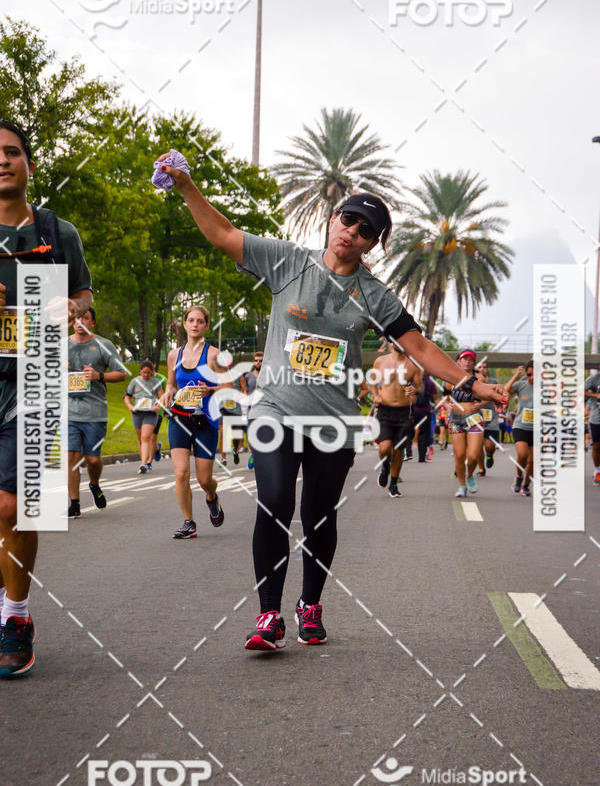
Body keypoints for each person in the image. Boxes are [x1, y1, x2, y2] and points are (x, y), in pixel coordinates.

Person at [154, 152, 506, 651]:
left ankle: (310, 604)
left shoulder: (374, 295)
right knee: (275, 502)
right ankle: (269, 614)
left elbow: (420, 347)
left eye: (365, 231)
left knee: (319, 515)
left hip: (333, 423)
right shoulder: (288, 261)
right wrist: (186, 185)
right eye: (348, 220)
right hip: (275, 411)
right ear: (333, 218)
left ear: (373, 244)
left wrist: (468, 383)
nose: (352, 232)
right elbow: (223, 233)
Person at [0, 120, 92, 676]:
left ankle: (16, 616)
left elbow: (84, 299)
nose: (2, 160)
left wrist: (68, 309)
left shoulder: (59, 233)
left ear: (29, 165)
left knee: (15, 506)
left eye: (12, 152)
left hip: (34, 377)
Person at [162, 305, 228, 539]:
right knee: (181, 473)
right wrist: (167, 393)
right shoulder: (174, 355)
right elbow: (171, 383)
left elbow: (229, 386)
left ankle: (212, 497)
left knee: (204, 479)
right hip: (180, 419)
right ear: (185, 324)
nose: (194, 324)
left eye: (200, 321)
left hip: (205, 421)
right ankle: (188, 522)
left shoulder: (214, 355)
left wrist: (210, 390)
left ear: (206, 326)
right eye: (191, 320)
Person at [68, 307, 127, 514]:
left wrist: (99, 376)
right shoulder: (60, 345)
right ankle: (75, 504)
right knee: (72, 457)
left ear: (92, 322)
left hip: (95, 412)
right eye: (76, 318)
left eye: (85, 318)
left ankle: (94, 484)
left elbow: (121, 373)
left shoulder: (104, 345)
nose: (80, 322)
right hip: (69, 412)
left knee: (93, 459)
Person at [369, 341, 421, 498]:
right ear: (391, 342)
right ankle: (385, 467)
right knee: (385, 448)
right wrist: (376, 396)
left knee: (399, 450)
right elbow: (372, 382)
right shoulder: (380, 361)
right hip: (385, 411)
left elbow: (420, 388)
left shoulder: (413, 365)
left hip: (404, 413)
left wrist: (414, 390)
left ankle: (393, 484)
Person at [448, 349, 490, 498]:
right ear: (459, 361)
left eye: (470, 359)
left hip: (474, 418)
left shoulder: (480, 379)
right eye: (464, 359)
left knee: (473, 455)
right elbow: (445, 397)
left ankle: (470, 475)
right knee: (459, 455)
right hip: (455, 419)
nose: (467, 361)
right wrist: (447, 405)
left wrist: (481, 404)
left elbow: (489, 396)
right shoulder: (450, 377)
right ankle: (461, 486)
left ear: (474, 362)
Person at [124, 359, 165, 474]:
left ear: (152, 372)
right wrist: (130, 406)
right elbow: (126, 396)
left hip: (150, 414)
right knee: (140, 439)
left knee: (145, 437)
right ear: (140, 371)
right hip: (137, 413)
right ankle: (144, 461)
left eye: (148, 372)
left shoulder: (156, 382)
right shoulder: (135, 381)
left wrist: (158, 406)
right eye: (144, 372)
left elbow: (162, 397)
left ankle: (144, 463)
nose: (146, 375)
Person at [505, 361, 534, 495]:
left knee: (532, 461)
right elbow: (504, 391)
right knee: (522, 455)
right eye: (529, 374)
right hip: (521, 426)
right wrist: (516, 376)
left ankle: (526, 485)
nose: (531, 377)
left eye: (535, 374)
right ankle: (519, 476)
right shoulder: (521, 385)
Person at [475, 363, 500, 476]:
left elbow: (494, 396)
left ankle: (489, 455)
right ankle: (481, 469)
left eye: (485, 367)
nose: (482, 369)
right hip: (477, 418)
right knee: (478, 446)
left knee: (489, 446)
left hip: (491, 418)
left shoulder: (493, 382)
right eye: (480, 367)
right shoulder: (472, 383)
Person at [242, 351, 263, 469]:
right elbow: (246, 391)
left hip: (265, 410)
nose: (258, 362)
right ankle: (253, 454)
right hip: (251, 411)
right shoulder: (248, 376)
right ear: (253, 362)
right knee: (250, 435)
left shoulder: (268, 374)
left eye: (261, 360)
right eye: (256, 360)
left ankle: (260, 456)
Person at [412, 372, 438, 463]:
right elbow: (435, 398)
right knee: (423, 433)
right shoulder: (430, 382)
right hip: (425, 411)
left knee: (407, 432)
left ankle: (406, 452)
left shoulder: (411, 381)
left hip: (412, 410)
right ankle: (422, 457)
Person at [584, 366, 600, 484]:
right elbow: (581, 392)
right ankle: (597, 471)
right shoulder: (594, 379)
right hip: (596, 418)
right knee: (596, 446)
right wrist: (595, 395)